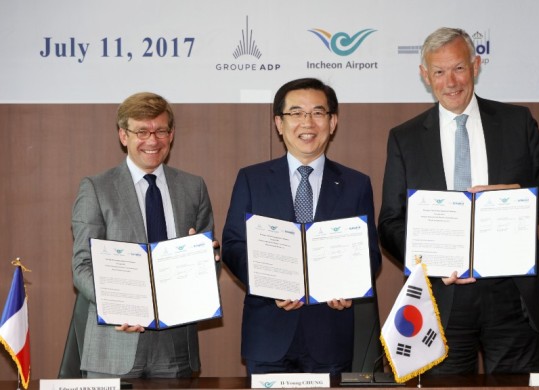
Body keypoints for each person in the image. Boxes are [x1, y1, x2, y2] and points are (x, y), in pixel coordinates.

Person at [378, 27, 539, 374]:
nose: (450, 81)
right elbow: (390, 223)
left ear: (476, 64)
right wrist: (430, 263)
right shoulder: (405, 138)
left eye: (458, 68)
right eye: (439, 72)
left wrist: (516, 193)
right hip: (441, 300)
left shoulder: (516, 122)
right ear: (425, 76)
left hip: (511, 295)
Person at [222, 78, 382, 375]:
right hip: (268, 334)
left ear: (332, 122)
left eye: (318, 113)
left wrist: (348, 286)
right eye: (295, 113)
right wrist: (268, 285)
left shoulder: (356, 184)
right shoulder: (252, 179)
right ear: (279, 124)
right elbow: (233, 246)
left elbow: (370, 254)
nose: (307, 122)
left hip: (330, 334)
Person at [71, 92, 216, 378]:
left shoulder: (193, 187)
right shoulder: (96, 189)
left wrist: (207, 258)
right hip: (115, 340)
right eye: (142, 131)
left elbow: (211, 259)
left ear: (171, 134)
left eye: (161, 130)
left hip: (176, 347)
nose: (153, 140)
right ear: (123, 136)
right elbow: (82, 266)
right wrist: (118, 307)